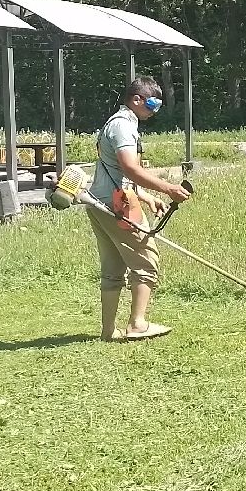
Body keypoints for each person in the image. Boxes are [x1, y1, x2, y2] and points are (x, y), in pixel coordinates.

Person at [88, 77, 191, 342]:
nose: (155, 110)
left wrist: (145, 196)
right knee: (147, 261)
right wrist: (168, 189)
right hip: (117, 206)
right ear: (136, 99)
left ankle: (109, 331)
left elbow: (114, 172)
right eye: (152, 103)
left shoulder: (116, 122)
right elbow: (130, 168)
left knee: (113, 267)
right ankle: (138, 324)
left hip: (100, 202)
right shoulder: (123, 127)